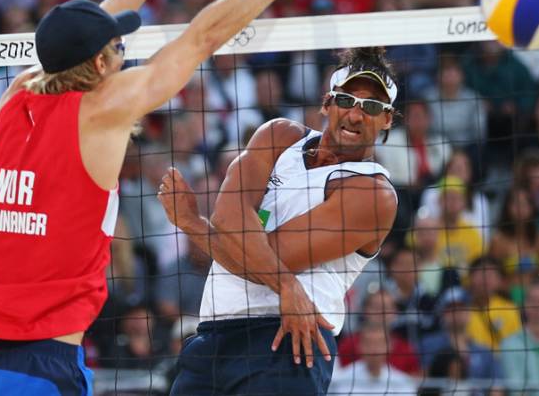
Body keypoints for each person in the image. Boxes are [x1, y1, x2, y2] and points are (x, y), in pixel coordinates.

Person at [0, 0, 356, 395]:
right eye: (116, 48)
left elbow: (79, 36)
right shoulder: (101, 110)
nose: (123, 50)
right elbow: (202, 37)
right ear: (99, 64)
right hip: (38, 364)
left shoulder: (17, 95)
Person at [158, 46, 398, 394]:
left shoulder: (373, 195)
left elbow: (261, 255)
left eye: (373, 107)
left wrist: (194, 224)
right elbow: (227, 220)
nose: (357, 115)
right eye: (347, 100)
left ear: (387, 119)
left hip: (289, 341)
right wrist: (287, 285)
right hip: (212, 335)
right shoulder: (279, 136)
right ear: (327, 102)